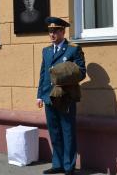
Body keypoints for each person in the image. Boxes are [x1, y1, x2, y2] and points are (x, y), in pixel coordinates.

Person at [36, 17, 86, 175]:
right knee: (54, 132)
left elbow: (81, 72)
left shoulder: (73, 49)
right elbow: (43, 74)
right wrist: (39, 96)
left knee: (67, 132)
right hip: (49, 97)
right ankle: (57, 164)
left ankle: (68, 166)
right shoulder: (47, 51)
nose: (52, 34)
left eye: (55, 31)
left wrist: (63, 75)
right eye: (50, 31)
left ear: (63, 31)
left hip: (65, 98)